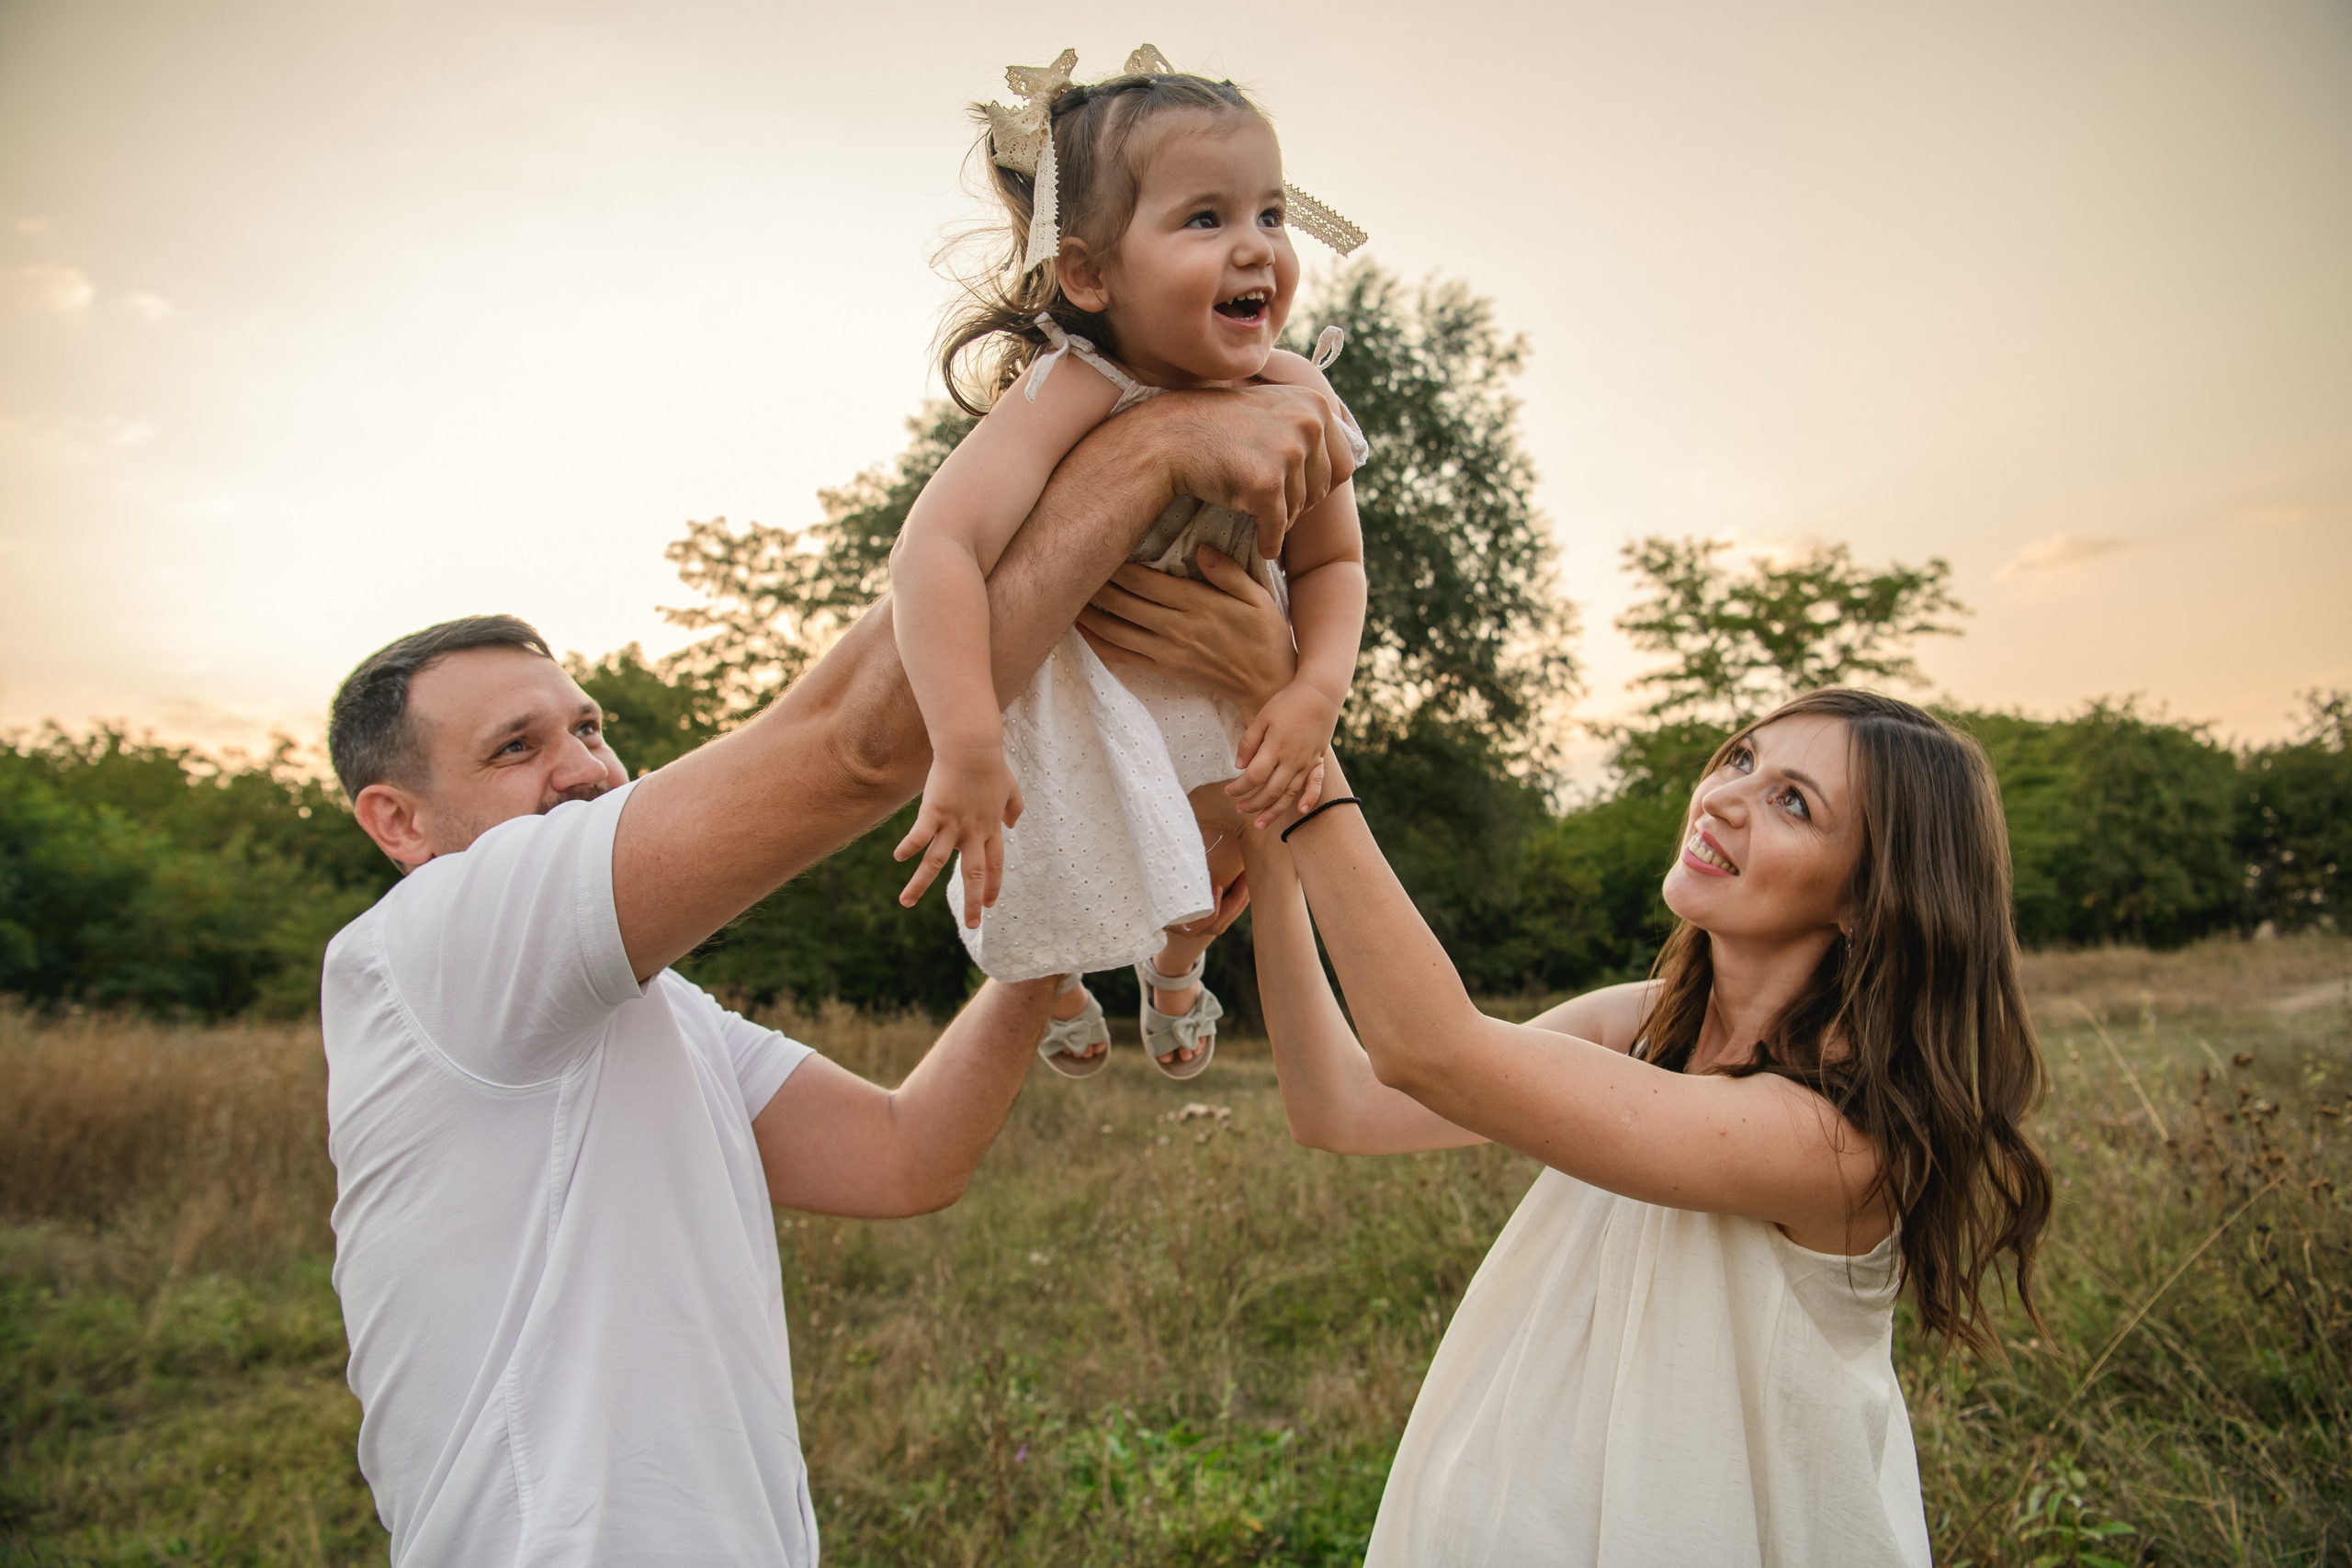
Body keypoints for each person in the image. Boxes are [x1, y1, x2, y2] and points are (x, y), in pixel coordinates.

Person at [317, 374, 1356, 1566]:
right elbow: (862, 740)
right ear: (398, 822)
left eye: (590, 726)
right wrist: (1143, 439)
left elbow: (906, 1154)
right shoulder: (433, 949)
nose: (586, 767)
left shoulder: (655, 1017)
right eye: (518, 746)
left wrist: (1057, 929)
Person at [1079, 565, 2054, 1565]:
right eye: (1742, 758)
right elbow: (1342, 1107)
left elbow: (1431, 1051)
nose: (1723, 798)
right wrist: (1271, 851)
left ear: (1867, 900)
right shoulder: (1637, 1028)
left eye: (1793, 803)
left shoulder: (1833, 1141)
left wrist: (1298, 733)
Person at [888, 44, 1373, 1082]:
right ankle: (1050, 981)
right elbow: (938, 544)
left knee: (1223, 862)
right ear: (1090, 273)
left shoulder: (1296, 392)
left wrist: (1317, 689)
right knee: (1031, 861)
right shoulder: (1074, 387)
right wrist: (964, 742)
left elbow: (1332, 566)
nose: (1256, 249)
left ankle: (1176, 972)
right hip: (1082, 695)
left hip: (1218, 688)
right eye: (1207, 219)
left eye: (1272, 216)